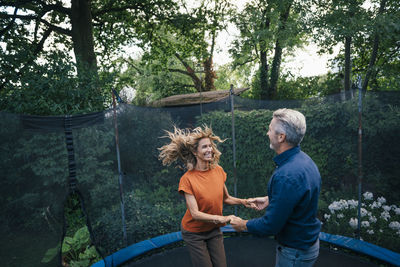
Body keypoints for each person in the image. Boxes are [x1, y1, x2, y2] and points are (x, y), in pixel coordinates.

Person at [230, 108, 322, 267]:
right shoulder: (304, 161)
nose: (267, 133)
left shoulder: (287, 175)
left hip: (294, 253)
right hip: (308, 245)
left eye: (270, 129)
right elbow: (300, 197)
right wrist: (271, 199)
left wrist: (243, 224)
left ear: (281, 137)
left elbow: (270, 225)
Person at [158, 125, 255, 267]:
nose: (209, 150)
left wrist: (244, 201)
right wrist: (224, 218)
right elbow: (195, 214)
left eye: (210, 146)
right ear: (195, 152)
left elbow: (225, 198)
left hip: (213, 230)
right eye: (204, 147)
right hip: (194, 233)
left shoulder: (218, 170)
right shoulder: (187, 179)